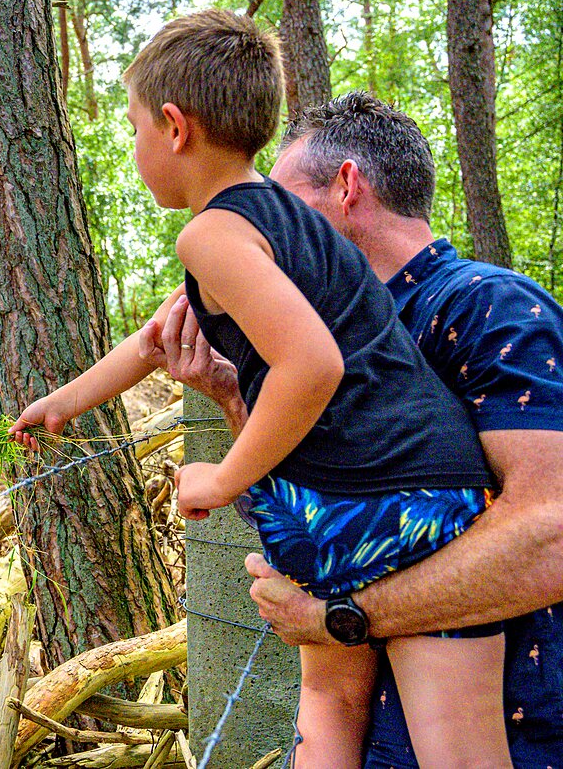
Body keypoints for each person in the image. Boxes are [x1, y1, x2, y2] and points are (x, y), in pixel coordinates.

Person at [8, 11, 510, 767]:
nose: (136, 147)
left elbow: (313, 366)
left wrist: (225, 474)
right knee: (451, 746)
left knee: (333, 708)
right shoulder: (278, 218)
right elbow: (155, 339)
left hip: (360, 494)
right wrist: (64, 403)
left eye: (136, 127)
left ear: (175, 128)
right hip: (432, 486)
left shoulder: (209, 235)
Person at [148, 91, 563, 766]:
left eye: (274, 202)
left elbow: (553, 535)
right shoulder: (319, 335)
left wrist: (339, 618)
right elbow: (324, 513)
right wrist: (234, 392)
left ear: (346, 188)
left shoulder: (488, 307)